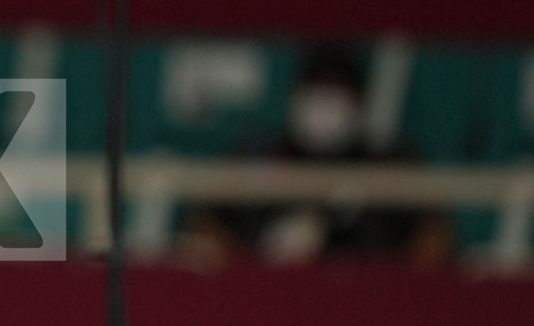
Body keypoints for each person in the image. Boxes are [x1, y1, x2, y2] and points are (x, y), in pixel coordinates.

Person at [182, 44, 452, 266]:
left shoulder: (388, 160)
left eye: (336, 91)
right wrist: (247, 263)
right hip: (262, 294)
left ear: (357, 101)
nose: (324, 103)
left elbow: (433, 241)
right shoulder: (256, 153)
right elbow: (205, 228)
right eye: (316, 89)